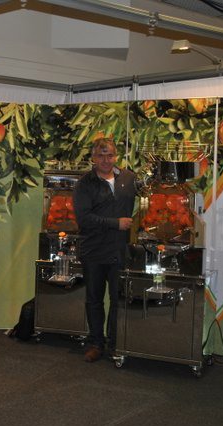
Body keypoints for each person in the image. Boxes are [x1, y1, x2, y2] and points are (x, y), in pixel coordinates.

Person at [73, 138, 137, 362]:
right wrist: (115, 223)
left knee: (118, 299)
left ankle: (115, 344)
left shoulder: (129, 178)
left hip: (120, 250)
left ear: (116, 156)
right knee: (94, 299)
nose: (106, 160)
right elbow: (83, 218)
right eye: (100, 156)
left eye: (109, 155)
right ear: (93, 158)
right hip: (94, 250)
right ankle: (96, 343)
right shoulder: (84, 183)